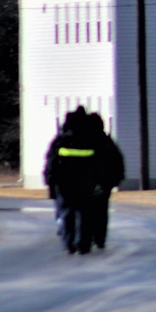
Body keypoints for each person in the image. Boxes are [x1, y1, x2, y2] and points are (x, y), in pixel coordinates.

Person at [43, 107, 98, 254]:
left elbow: (51, 163)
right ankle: (84, 244)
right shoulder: (91, 141)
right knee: (85, 214)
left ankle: (69, 243)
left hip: (64, 184)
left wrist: (49, 181)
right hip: (86, 183)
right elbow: (100, 163)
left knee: (68, 213)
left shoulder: (60, 141)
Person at [88, 112, 125, 249]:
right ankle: (100, 237)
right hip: (104, 183)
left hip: (88, 182)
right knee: (101, 211)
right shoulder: (107, 141)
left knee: (88, 210)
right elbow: (117, 161)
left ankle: (89, 235)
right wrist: (115, 180)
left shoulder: (85, 141)